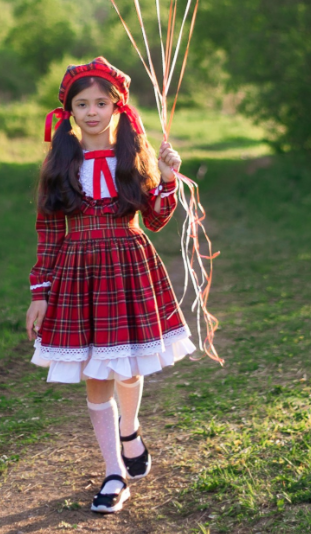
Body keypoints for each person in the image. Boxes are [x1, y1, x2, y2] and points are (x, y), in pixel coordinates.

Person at [26, 57, 195, 513]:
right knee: (95, 373)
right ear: (70, 113)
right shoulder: (61, 164)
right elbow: (48, 233)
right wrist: (40, 293)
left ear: (117, 107)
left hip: (128, 265)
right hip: (78, 273)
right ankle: (113, 471)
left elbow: (157, 221)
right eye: (82, 104)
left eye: (101, 102)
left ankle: (130, 427)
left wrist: (166, 178)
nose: (93, 111)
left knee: (128, 367)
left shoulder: (133, 157)